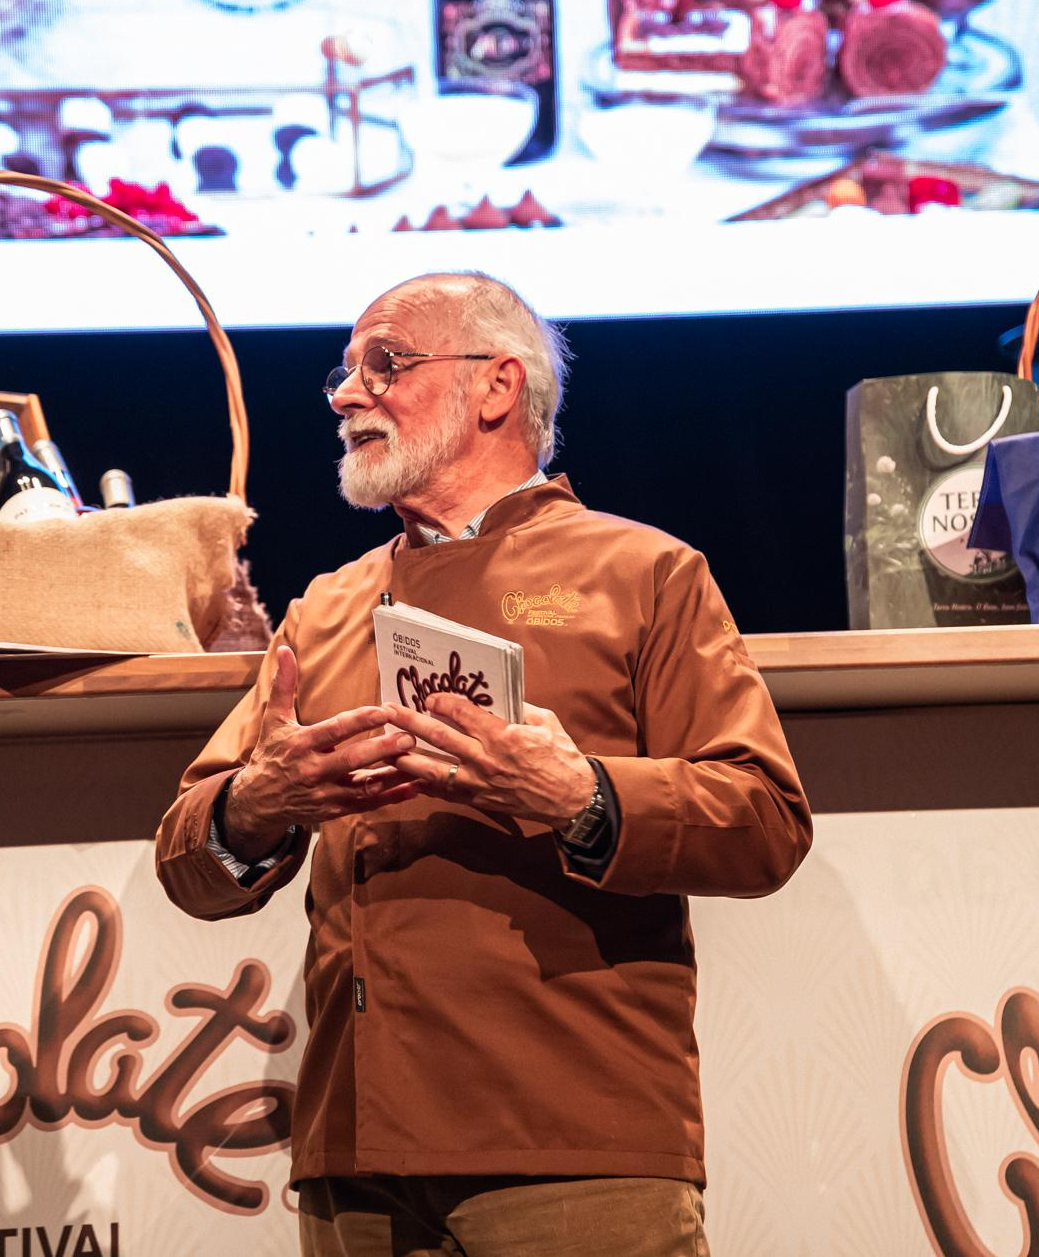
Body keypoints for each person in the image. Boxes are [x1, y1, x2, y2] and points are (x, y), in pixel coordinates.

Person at [155, 271, 811, 1256]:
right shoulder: (326, 606)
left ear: (495, 387)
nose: (344, 395)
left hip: (574, 1141)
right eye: (343, 372)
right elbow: (187, 856)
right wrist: (259, 800)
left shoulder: (644, 574)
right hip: (353, 1151)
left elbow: (764, 819)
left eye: (385, 364)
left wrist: (580, 796)